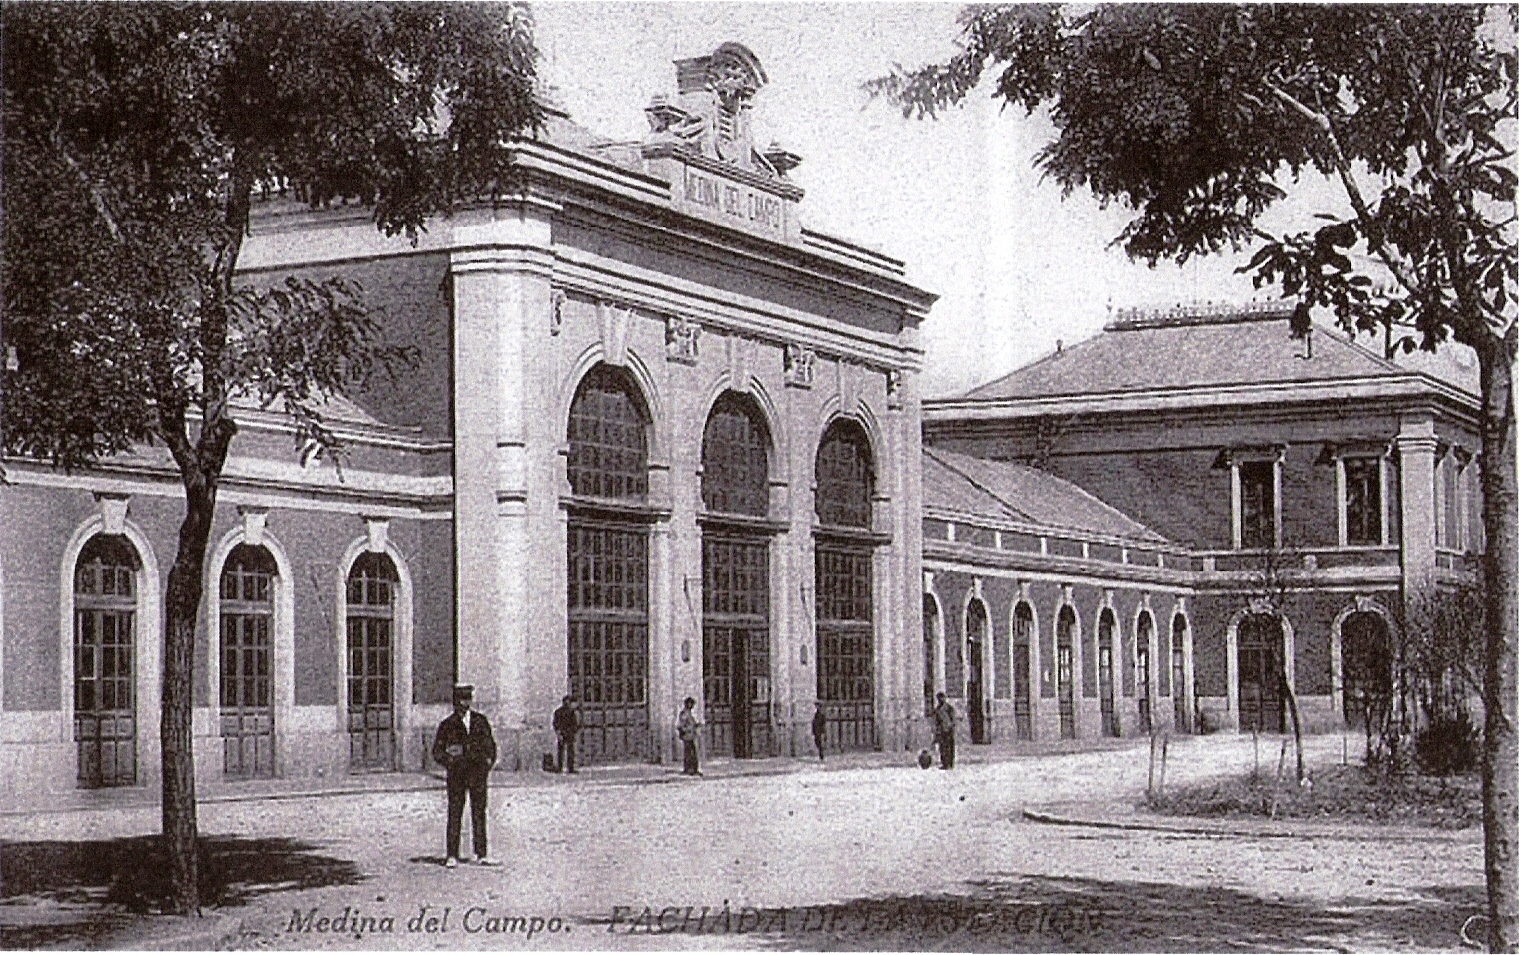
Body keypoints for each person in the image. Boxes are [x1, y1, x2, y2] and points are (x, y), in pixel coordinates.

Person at [432, 684, 498, 867]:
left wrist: (487, 763)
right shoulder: (447, 725)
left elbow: (491, 745)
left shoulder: (480, 721)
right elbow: (437, 752)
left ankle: (481, 853)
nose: (464, 704)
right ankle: (452, 854)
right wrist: (450, 761)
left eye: (467, 699)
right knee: (455, 812)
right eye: (461, 700)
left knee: (479, 812)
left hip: (477, 774)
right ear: (455, 703)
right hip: (457, 775)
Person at [552, 694, 580, 774]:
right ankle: (565, 768)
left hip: (567, 733)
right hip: (565, 732)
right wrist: (559, 732)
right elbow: (556, 723)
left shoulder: (570, 712)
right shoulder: (563, 712)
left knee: (567, 751)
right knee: (564, 750)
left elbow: (574, 724)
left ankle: (565, 767)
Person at [677, 697, 702, 776]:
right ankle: (689, 769)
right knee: (689, 753)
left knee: (693, 752)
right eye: (691, 704)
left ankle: (694, 769)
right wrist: (688, 729)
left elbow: (691, 724)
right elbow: (681, 725)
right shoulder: (684, 713)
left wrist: (696, 725)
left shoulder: (689, 713)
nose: (692, 706)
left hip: (691, 736)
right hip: (687, 736)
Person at [933, 692, 957, 770]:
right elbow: (936, 721)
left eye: (942, 698)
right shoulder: (937, 709)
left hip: (949, 730)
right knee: (942, 748)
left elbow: (953, 719)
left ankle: (950, 763)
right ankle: (944, 764)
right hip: (942, 731)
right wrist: (937, 731)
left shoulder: (949, 708)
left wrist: (951, 727)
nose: (941, 700)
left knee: (950, 747)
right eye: (939, 698)